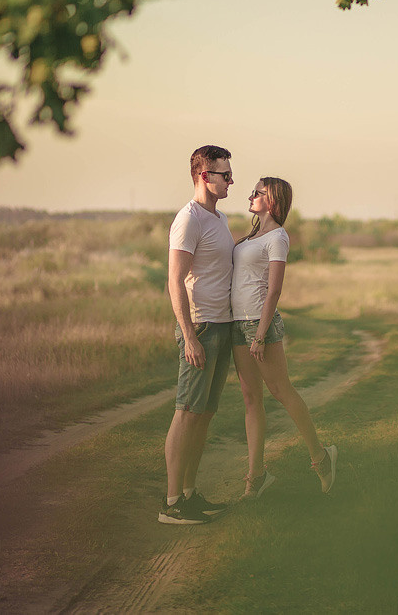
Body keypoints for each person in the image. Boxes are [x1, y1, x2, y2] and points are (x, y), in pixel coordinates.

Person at [230, 177, 337, 499]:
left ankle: (321, 458)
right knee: (251, 400)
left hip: (259, 327)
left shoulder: (278, 237)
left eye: (258, 193)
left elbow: (274, 289)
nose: (251, 196)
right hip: (237, 324)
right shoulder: (252, 235)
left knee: (280, 390)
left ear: (272, 200)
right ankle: (256, 477)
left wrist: (261, 334)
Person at [159, 144, 236, 525]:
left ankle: (190, 494)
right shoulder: (188, 220)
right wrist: (188, 336)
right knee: (186, 413)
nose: (231, 181)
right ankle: (172, 504)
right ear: (204, 176)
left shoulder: (218, 220)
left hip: (222, 326)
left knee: (204, 415)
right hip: (201, 327)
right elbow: (174, 280)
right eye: (224, 174)